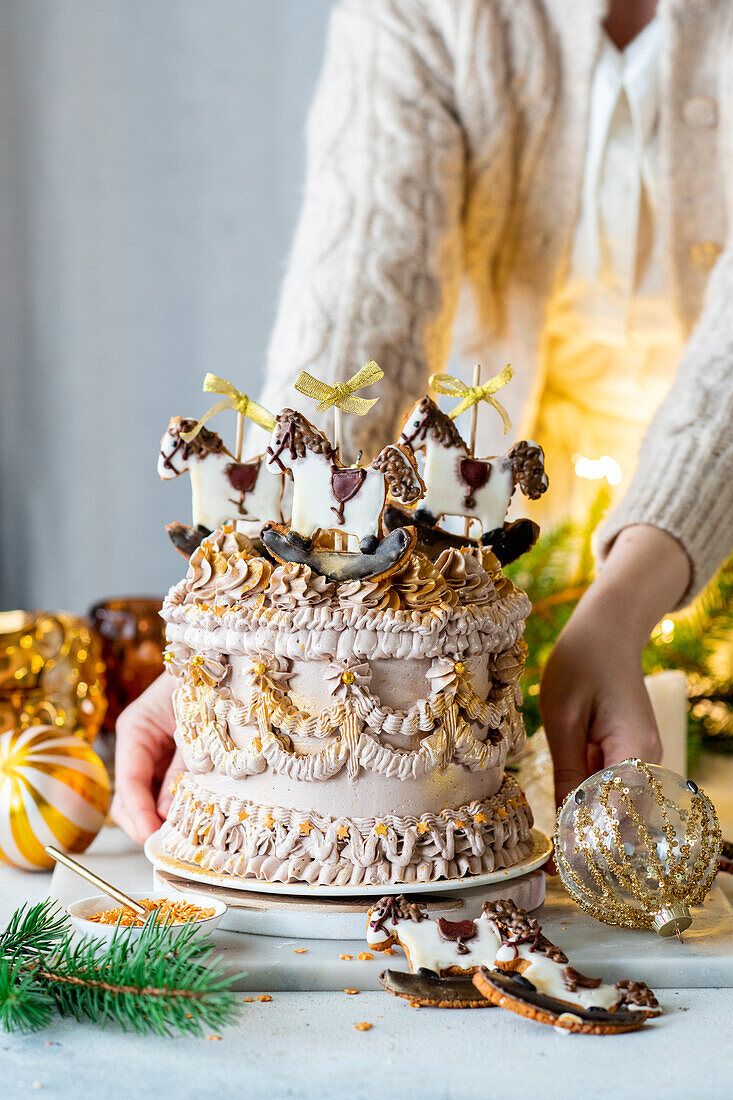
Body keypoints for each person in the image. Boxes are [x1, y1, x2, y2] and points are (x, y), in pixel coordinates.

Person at [112, 0, 733, 844]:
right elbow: (357, 310)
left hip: (695, 587)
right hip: (483, 580)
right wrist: (243, 635)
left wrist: (620, 606)